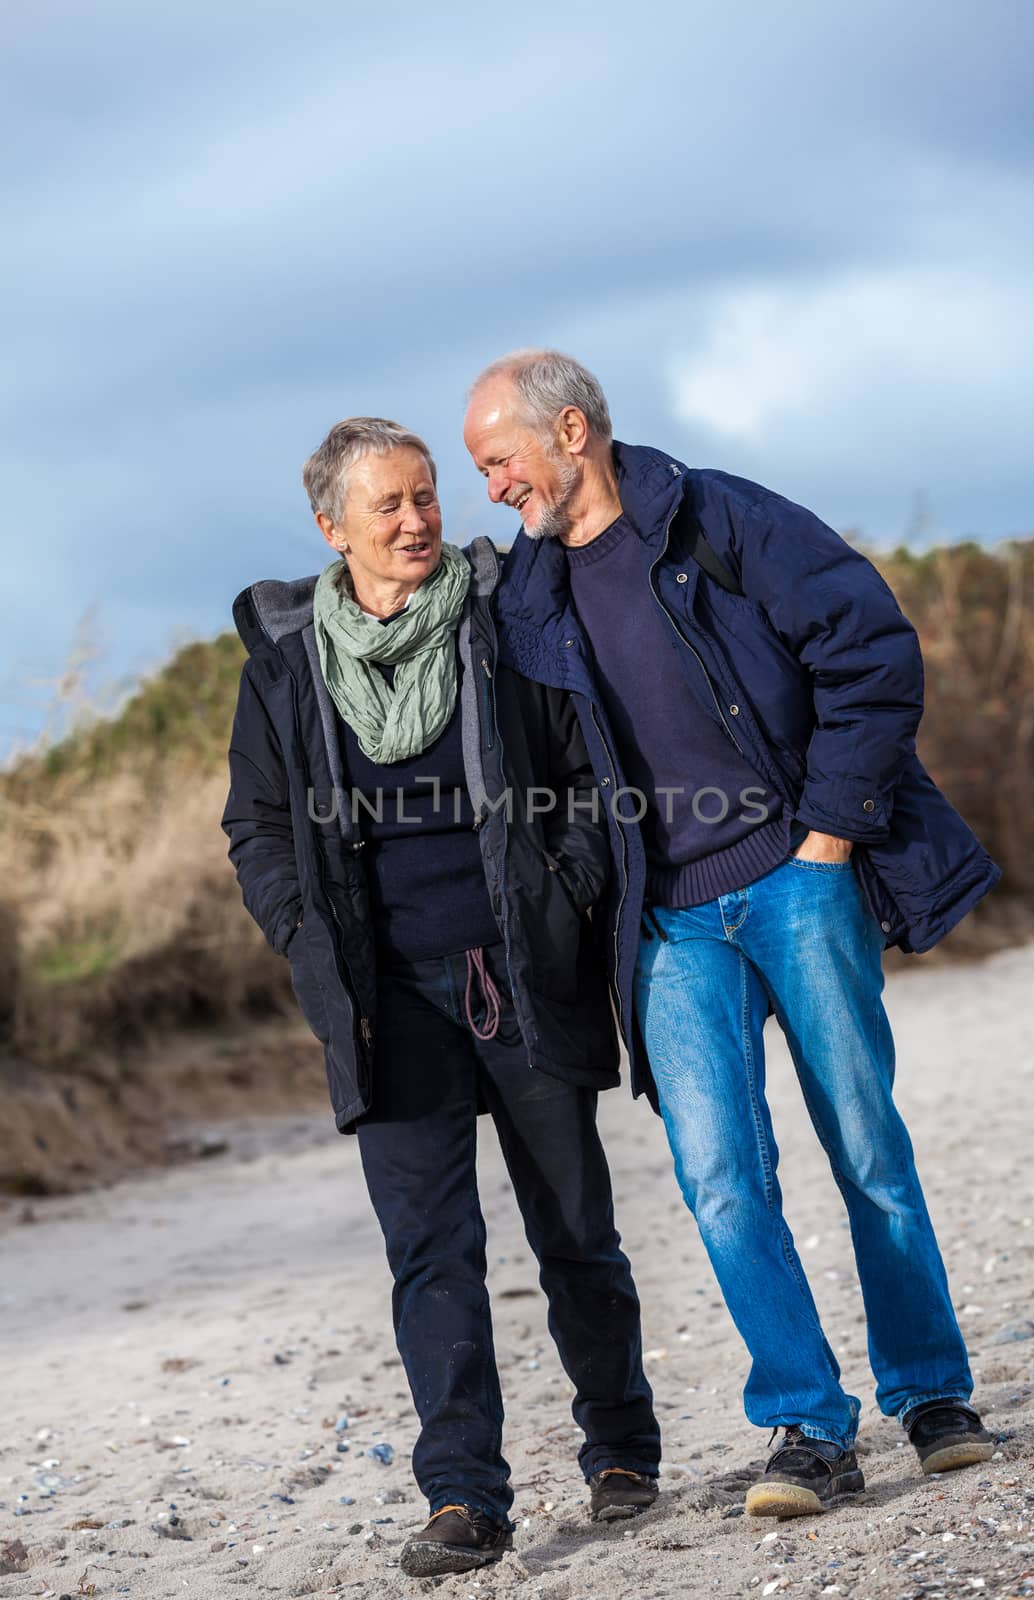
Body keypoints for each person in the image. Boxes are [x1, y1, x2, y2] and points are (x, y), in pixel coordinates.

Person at [463, 350, 999, 1519]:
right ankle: (806, 1428)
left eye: (497, 460)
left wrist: (829, 831)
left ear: (567, 432)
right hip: (661, 926)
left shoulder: (715, 515)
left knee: (864, 1146)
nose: (492, 488)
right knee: (718, 1179)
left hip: (797, 879)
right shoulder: (525, 597)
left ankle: (931, 1397)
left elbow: (870, 646)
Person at [221, 417, 660, 1575]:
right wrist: (300, 928)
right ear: (331, 528)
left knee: (576, 1232)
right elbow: (258, 827)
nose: (418, 520)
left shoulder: (500, 622)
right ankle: (463, 1495)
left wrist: (564, 892)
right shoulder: (281, 668)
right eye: (389, 507)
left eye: (425, 497)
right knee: (432, 1253)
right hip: (383, 1000)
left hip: (518, 974)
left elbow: (575, 771)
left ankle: (620, 1449)